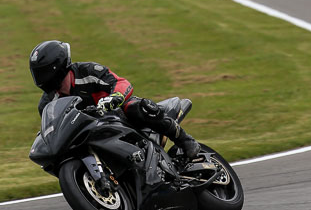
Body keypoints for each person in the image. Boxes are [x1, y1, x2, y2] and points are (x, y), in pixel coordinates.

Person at [29, 40, 200, 160]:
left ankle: (185, 140)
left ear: (57, 68)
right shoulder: (46, 104)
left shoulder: (87, 71)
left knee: (135, 107)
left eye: (43, 72)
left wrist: (114, 98)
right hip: (89, 132)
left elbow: (121, 83)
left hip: (117, 116)